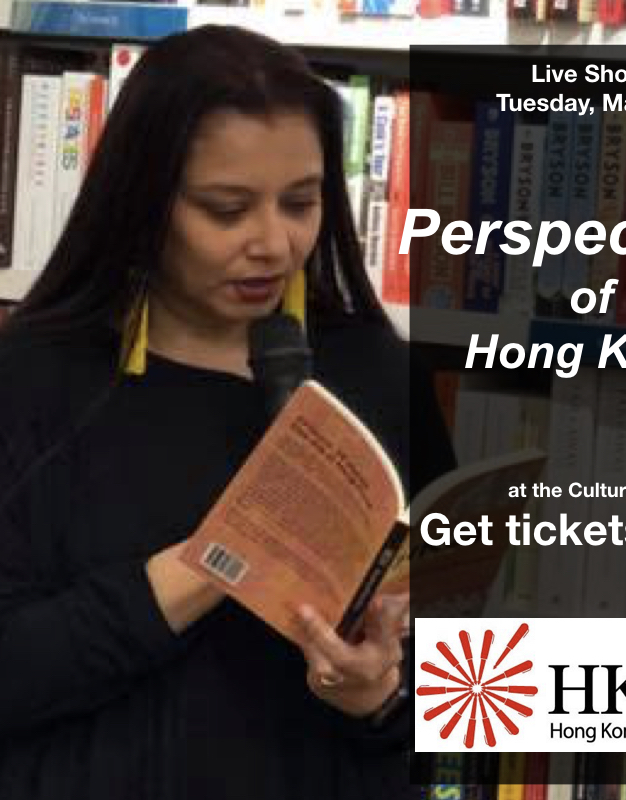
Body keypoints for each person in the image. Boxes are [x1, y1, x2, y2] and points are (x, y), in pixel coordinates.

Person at [0, 25, 454, 800]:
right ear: (143, 200)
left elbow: (467, 689)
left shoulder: (377, 373)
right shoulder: (37, 375)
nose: (274, 243)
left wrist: (377, 697)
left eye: (301, 202)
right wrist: (210, 564)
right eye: (226, 209)